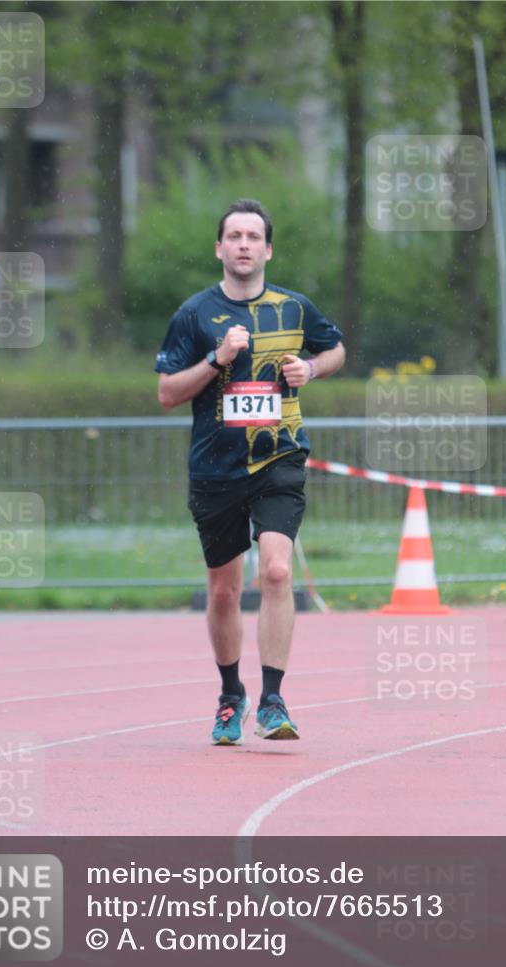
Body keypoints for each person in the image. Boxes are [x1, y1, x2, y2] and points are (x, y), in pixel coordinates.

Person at [155, 198, 346, 745]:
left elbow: (336, 351)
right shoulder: (194, 314)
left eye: (252, 237)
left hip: (279, 455)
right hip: (216, 468)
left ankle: (273, 699)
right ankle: (229, 695)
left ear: (267, 249)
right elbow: (167, 394)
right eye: (233, 236)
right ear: (219, 248)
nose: (243, 245)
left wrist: (309, 367)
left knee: (278, 571)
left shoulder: (294, 308)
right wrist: (217, 359)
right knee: (223, 591)